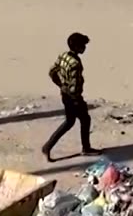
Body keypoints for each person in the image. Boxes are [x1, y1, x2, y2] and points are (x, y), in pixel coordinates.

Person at [42, 32, 98, 162]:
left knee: (69, 122)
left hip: (64, 94)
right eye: (83, 45)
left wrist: (60, 85)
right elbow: (74, 85)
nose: (85, 48)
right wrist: (77, 99)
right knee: (85, 120)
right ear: (77, 47)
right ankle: (86, 148)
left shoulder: (63, 56)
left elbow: (52, 71)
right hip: (73, 98)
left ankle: (48, 146)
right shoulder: (75, 64)